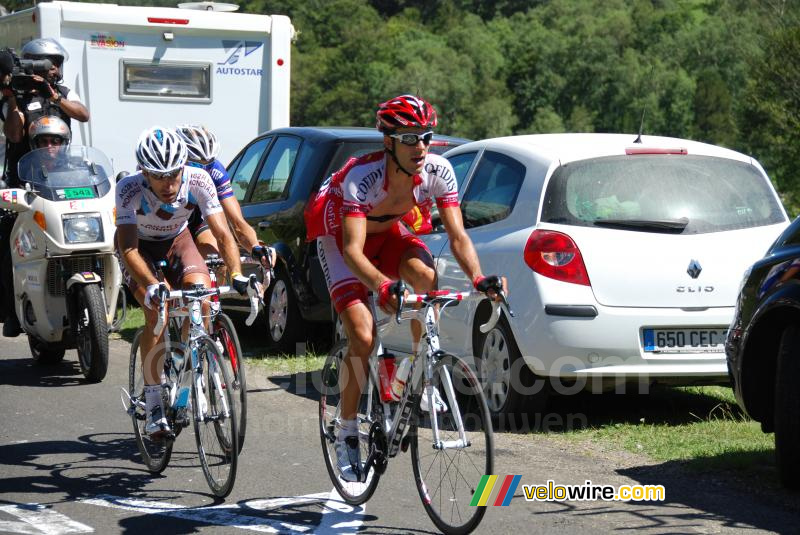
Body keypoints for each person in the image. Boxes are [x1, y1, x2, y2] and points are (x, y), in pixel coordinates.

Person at [304, 94, 506, 482]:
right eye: (410, 138)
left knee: (427, 280)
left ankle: (416, 370)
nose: (421, 146)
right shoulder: (362, 178)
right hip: (343, 244)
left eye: (425, 136)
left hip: (390, 234)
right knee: (362, 337)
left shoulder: (439, 170)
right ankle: (347, 430)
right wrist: (381, 285)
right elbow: (352, 249)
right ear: (388, 142)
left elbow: (458, 236)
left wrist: (479, 279)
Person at [116, 126, 254, 438]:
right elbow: (128, 248)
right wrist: (152, 284)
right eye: (158, 176)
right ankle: (153, 403)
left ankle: (189, 357)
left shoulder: (198, 179)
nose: (168, 184)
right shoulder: (128, 189)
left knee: (201, 295)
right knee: (157, 312)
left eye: (174, 174)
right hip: (139, 249)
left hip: (178, 240)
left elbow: (222, 233)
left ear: (184, 166)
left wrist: (236, 274)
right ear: (144, 172)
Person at [0, 38, 89, 337]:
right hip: (24, 184)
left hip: (62, 180)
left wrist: (55, 97)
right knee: (7, 242)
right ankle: (11, 313)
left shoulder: (62, 92)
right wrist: (12, 98)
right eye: (50, 62)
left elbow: (83, 114)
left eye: (58, 63)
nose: (55, 68)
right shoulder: (17, 97)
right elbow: (13, 134)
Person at [174, 124, 275, 278]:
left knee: (217, 263)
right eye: (196, 164)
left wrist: (255, 247)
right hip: (168, 223)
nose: (203, 171)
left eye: (208, 164)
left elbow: (237, 223)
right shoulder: (167, 174)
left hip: (196, 220)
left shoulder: (215, 171)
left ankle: (211, 301)